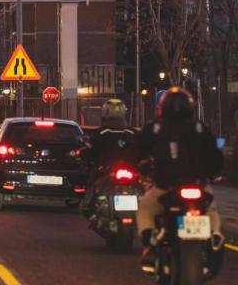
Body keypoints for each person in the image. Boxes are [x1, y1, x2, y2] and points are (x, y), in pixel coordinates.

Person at [134, 87, 223, 271]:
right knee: (211, 209)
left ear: (162, 107)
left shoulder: (155, 128)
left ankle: (151, 239)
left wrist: (139, 166)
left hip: (165, 188)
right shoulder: (200, 128)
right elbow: (216, 157)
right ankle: (214, 235)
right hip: (199, 186)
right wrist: (213, 175)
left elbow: (137, 151)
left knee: (145, 208)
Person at [80, 99, 137, 218]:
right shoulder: (132, 133)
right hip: (128, 170)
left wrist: (85, 156)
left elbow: (90, 150)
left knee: (92, 184)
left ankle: (89, 205)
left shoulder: (101, 133)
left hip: (107, 169)